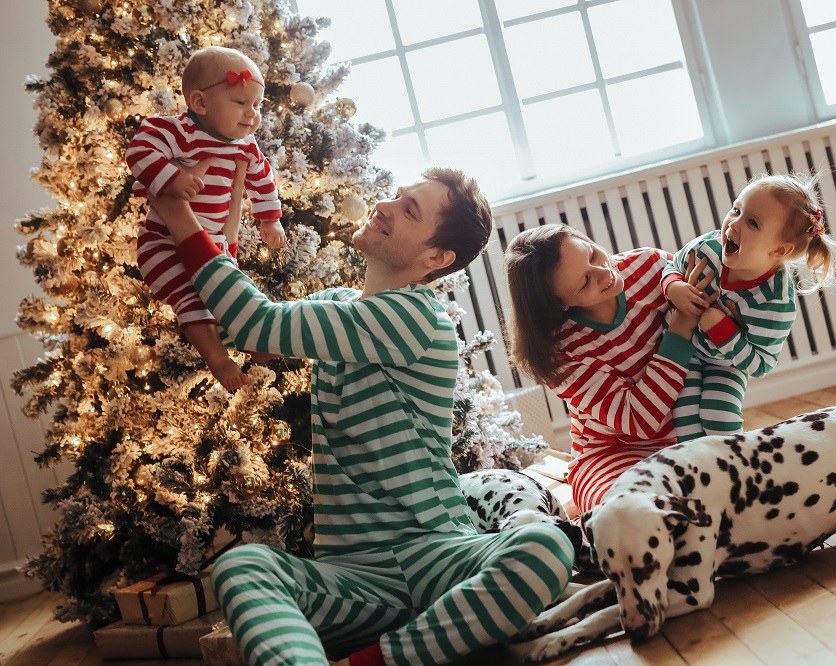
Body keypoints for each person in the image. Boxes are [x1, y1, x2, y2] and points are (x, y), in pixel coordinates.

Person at [148, 167, 574, 666]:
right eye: (396, 196)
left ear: (436, 258)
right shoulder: (338, 307)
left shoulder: (416, 317)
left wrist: (177, 211)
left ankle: (373, 661)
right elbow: (257, 338)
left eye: (409, 210)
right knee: (242, 566)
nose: (386, 205)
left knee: (544, 545)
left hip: (438, 554)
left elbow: (254, 323)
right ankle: (417, 640)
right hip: (353, 578)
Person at [504, 224, 718, 514]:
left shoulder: (651, 266)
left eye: (592, 254)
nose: (604, 272)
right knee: (628, 510)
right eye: (584, 282)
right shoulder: (556, 353)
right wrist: (682, 324)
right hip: (609, 453)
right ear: (559, 304)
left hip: (691, 430)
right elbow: (640, 420)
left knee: (725, 492)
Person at [126, 46, 286, 392]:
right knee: (192, 298)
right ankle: (217, 357)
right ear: (199, 103)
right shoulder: (176, 132)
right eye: (241, 103)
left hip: (217, 244)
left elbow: (262, 177)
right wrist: (171, 177)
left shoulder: (245, 145)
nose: (252, 115)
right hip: (163, 241)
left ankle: (248, 335)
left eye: (257, 105)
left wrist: (270, 219)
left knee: (231, 295)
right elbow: (139, 150)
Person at [662, 171, 836, 440]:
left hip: (726, 364)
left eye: (752, 223)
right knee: (684, 421)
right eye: (736, 209)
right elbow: (670, 266)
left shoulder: (774, 303)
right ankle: (696, 472)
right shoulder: (707, 248)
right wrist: (674, 287)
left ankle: (736, 469)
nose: (734, 224)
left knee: (718, 418)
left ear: (779, 250)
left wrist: (721, 328)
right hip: (684, 347)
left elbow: (760, 364)